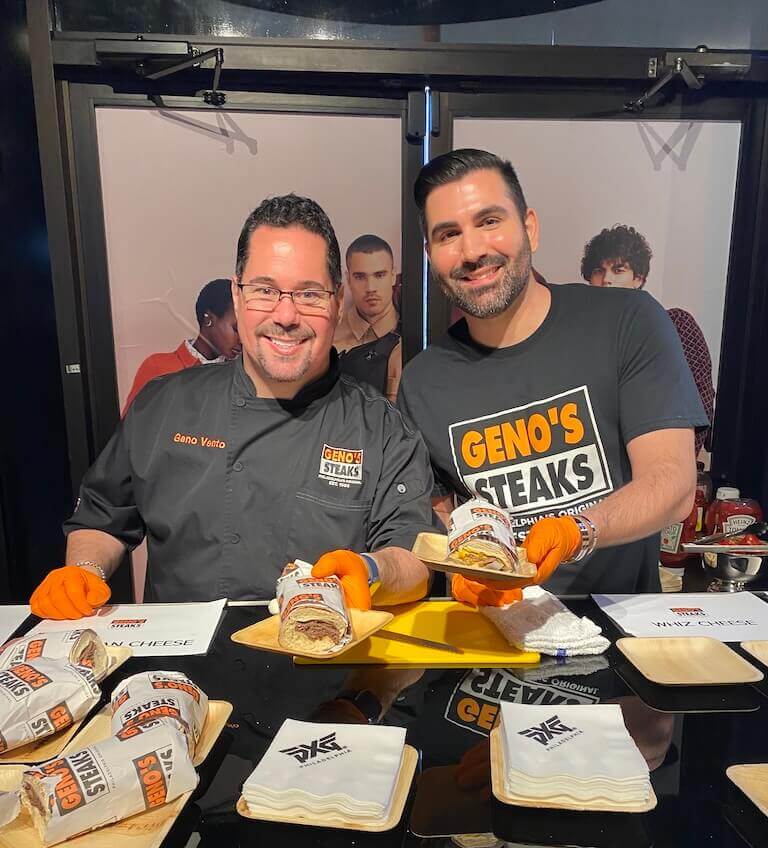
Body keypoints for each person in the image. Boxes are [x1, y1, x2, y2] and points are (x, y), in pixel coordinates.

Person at [30, 194, 435, 620]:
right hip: (176, 678)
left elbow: (415, 556)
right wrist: (83, 570)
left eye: (309, 294)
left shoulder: (383, 429)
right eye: (264, 290)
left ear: (336, 302)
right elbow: (103, 518)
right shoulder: (165, 404)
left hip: (328, 674)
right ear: (238, 297)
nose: (285, 314)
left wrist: (371, 569)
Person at [397, 149, 708, 602]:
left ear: (530, 228)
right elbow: (440, 516)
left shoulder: (626, 321)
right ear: (431, 255)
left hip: (613, 632)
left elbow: (673, 483)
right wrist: (459, 567)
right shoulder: (422, 382)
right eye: (448, 234)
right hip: (490, 635)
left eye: (489, 221)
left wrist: (579, 531)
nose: (472, 251)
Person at [581, 224, 714, 456]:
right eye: (598, 271)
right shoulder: (580, 335)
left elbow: (700, 404)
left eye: (618, 270)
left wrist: (673, 467)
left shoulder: (676, 325)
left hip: (661, 467)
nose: (607, 280)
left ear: (638, 278)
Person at [122, 278, 241, 413]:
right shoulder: (157, 367)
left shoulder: (239, 374)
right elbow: (131, 426)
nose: (242, 340)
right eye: (236, 329)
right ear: (209, 319)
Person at [334, 234, 402, 402]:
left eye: (379, 275)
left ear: (393, 276)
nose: (370, 288)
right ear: (348, 278)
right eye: (360, 277)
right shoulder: (328, 337)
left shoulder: (413, 336)